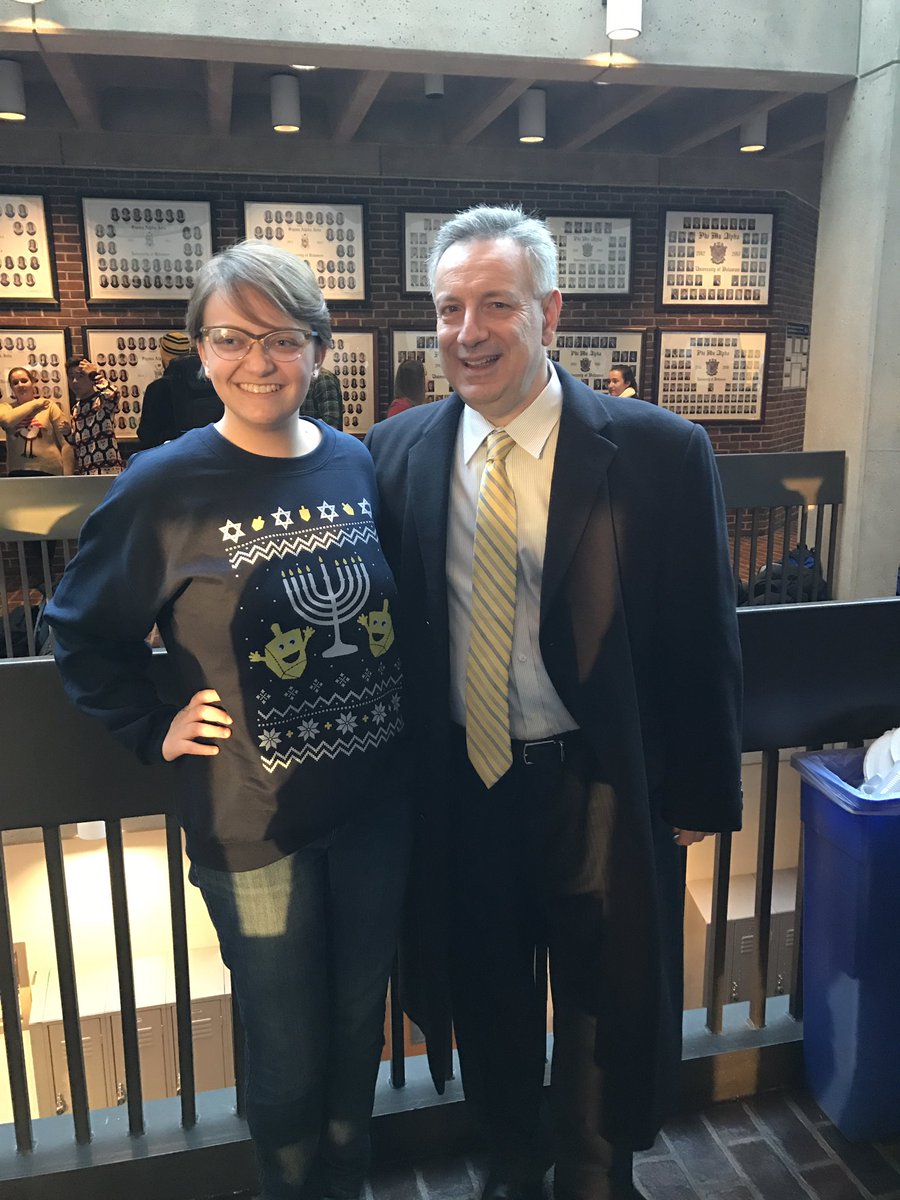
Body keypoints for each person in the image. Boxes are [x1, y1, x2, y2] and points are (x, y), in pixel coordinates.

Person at [365, 206, 742, 1200]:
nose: (469, 331)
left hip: (596, 781)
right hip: (463, 785)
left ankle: (593, 1178)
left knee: (599, 1010)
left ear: (550, 311)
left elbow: (703, 634)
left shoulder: (659, 451)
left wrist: (702, 792)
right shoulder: (396, 454)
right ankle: (507, 1173)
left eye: (496, 304)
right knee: (484, 996)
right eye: (450, 309)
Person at [46, 242, 411, 1200]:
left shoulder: (355, 462)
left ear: (320, 353)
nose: (259, 360)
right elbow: (79, 631)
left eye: (283, 337)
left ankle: (350, 1183)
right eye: (232, 338)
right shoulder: (165, 483)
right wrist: (152, 723)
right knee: (287, 1059)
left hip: (376, 807)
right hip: (253, 825)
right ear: (200, 354)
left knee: (356, 1032)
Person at [137, 330, 223, 448]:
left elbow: (147, 435)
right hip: (211, 454)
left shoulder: (158, 388)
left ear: (163, 353)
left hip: (171, 458)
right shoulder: (214, 382)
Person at [1, 367, 74, 477]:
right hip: (17, 472)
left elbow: (66, 443)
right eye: (15, 383)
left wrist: (68, 478)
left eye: (24, 381)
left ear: (32, 382)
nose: (20, 385)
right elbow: (6, 420)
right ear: (11, 387)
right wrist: (35, 403)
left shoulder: (49, 406)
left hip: (50, 471)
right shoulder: (6, 408)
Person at [66, 356, 122, 474]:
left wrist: (94, 374)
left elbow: (113, 394)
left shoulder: (101, 400)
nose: (75, 382)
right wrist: (67, 433)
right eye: (71, 377)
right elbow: (78, 444)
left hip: (108, 471)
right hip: (86, 472)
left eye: (80, 376)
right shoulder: (76, 409)